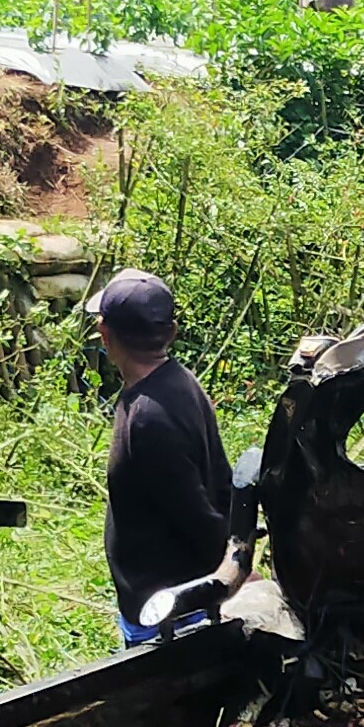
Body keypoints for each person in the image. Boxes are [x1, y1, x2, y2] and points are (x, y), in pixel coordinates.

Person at [92, 272, 234, 642]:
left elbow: (195, 511)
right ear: (170, 332)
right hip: (170, 598)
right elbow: (221, 477)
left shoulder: (148, 418)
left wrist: (235, 571)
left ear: (104, 335)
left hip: (170, 613)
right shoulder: (179, 380)